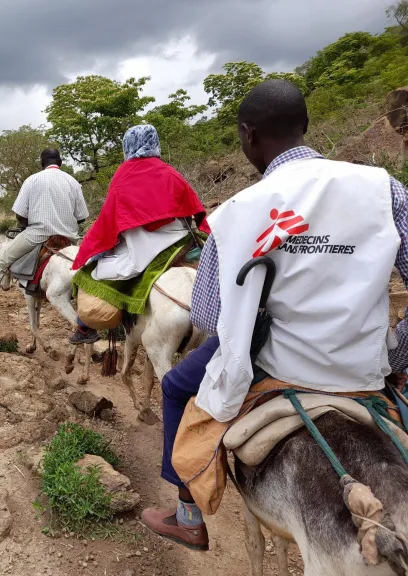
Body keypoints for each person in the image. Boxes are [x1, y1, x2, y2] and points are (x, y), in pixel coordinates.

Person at [140, 78, 408, 551]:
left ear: (248, 135)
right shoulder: (384, 189)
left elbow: (206, 313)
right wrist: (395, 353)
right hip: (365, 368)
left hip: (279, 366)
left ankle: (187, 516)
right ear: (305, 127)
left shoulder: (238, 211)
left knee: (177, 386)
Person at [68, 124, 209, 345]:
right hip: (181, 241)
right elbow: (195, 211)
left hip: (142, 248)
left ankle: (86, 327)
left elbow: (109, 222)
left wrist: (92, 252)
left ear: (128, 146)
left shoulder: (123, 175)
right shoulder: (169, 171)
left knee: (92, 274)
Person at [0, 148, 88, 318]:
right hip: (69, 237)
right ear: (60, 163)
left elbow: (20, 214)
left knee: (0, 260)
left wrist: (27, 224)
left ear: (42, 163)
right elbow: (81, 217)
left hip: (38, 234)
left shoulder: (32, 180)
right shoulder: (73, 182)